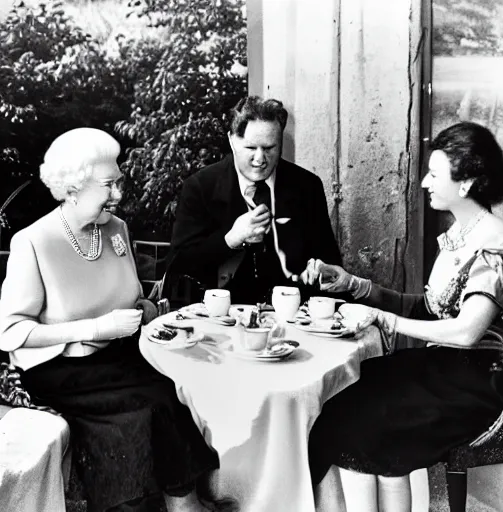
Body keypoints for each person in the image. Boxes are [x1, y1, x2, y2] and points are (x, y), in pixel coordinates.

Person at [0, 128, 222, 512]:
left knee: (177, 392)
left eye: (119, 183)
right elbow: (11, 332)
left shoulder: (117, 230)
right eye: (109, 185)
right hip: (59, 370)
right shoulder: (33, 242)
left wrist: (148, 310)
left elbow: (132, 297)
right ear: (73, 188)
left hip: (118, 359)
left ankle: (186, 504)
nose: (119, 194)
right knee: (143, 412)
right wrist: (96, 329)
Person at [303, 122, 503, 512]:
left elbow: (467, 332)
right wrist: (356, 285)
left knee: (367, 420)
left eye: (434, 174)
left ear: (465, 184)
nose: (422, 182)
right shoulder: (462, 232)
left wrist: (381, 320)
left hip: (484, 379)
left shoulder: (497, 242)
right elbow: (429, 310)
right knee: (339, 402)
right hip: (444, 367)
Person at [164, 95, 342, 305]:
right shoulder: (200, 187)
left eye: (269, 148)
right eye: (250, 148)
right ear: (232, 141)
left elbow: (330, 261)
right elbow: (178, 268)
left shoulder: (307, 186)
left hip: (293, 319)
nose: (260, 159)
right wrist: (230, 239)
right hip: (222, 319)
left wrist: (322, 270)